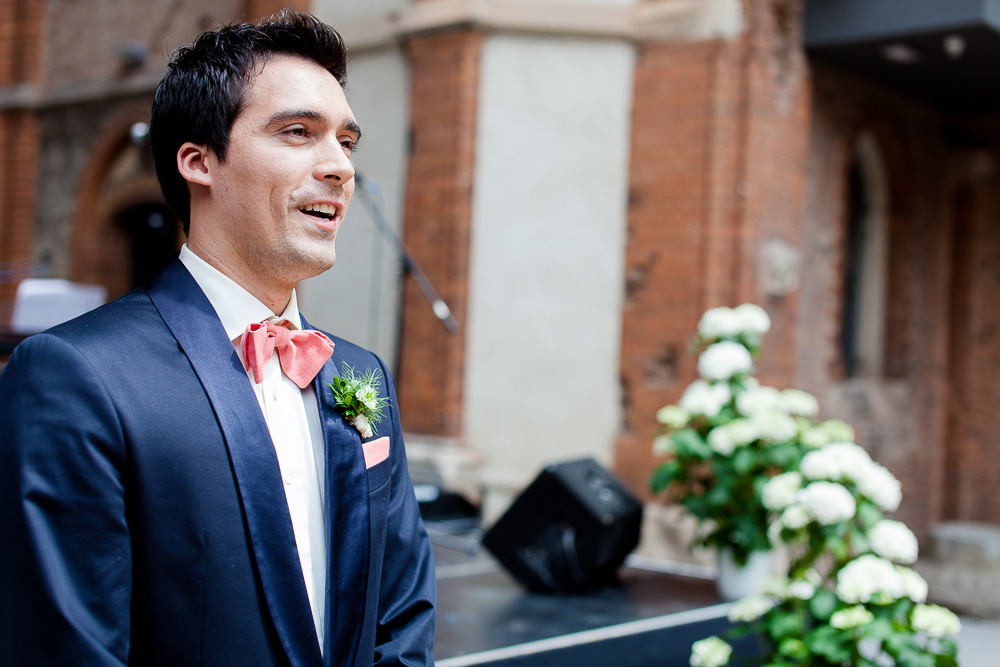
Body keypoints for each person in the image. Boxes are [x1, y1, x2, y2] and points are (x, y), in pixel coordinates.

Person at [0, 11, 436, 666]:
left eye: (346, 142)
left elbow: (402, 616)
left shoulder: (361, 374)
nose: (339, 167)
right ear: (199, 161)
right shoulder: (76, 376)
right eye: (298, 132)